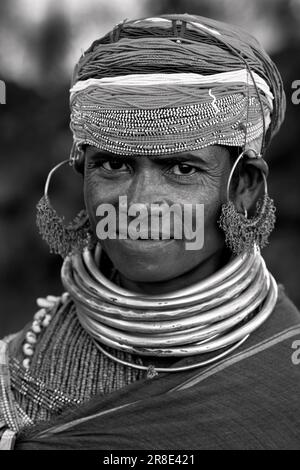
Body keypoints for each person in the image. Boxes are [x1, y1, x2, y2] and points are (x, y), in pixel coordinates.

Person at [1, 13, 299, 450]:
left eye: (181, 168)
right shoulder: (14, 371)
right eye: (114, 164)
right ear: (80, 172)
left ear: (244, 186)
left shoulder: (285, 370)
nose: (138, 204)